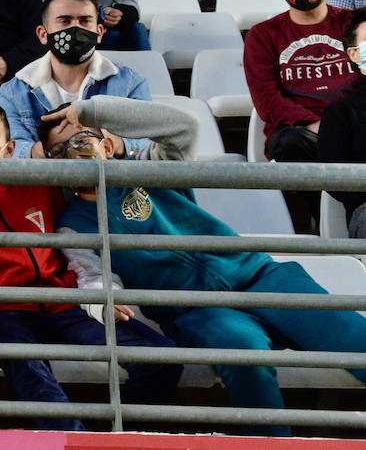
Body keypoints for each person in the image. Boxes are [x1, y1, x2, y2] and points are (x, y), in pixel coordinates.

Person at [48, 95, 366, 438]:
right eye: (58, 151)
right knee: (245, 359)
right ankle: (274, 446)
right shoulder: (73, 223)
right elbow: (93, 275)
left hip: (260, 276)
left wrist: (88, 111)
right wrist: (104, 298)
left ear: (107, 145)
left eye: (82, 140)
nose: (72, 153)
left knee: (353, 337)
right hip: (199, 310)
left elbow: (185, 127)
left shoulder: (149, 167)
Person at [0, 97, 180, 431]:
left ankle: (109, 439)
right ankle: (71, 440)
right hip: (0, 313)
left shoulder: (40, 182)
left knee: (161, 359)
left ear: (9, 148)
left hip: (66, 303)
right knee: (32, 373)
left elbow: (88, 198)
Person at [0, 0, 152, 158]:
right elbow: (9, 149)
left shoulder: (130, 84)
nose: (75, 28)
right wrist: (50, 151)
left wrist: (116, 144)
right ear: (42, 34)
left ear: (100, 32)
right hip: (43, 184)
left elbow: (149, 143)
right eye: (64, 21)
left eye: (85, 21)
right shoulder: (13, 92)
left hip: (110, 183)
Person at [244, 0, 354, 165]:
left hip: (355, 124)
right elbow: (267, 97)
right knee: (290, 143)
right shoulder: (263, 35)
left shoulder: (355, 25)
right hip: (301, 132)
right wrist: (315, 125)